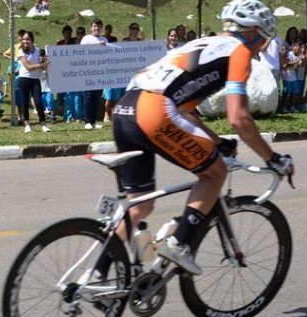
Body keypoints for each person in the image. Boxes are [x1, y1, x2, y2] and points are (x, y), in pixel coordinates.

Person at [111, 0, 294, 276]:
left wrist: (217, 142)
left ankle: (95, 278)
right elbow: (239, 118)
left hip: (126, 109)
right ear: (253, 32)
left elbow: (184, 110)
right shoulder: (240, 52)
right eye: (264, 39)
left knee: (140, 205)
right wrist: (274, 158)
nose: (262, 47)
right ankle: (178, 244)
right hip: (153, 111)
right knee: (215, 174)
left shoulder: (202, 44)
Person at [17, 31, 50, 133]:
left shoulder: (37, 50)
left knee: (38, 101)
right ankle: (27, 124)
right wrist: (41, 65)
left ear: (32, 40)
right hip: (24, 78)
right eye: (24, 39)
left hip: (35, 79)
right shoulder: (21, 51)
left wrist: (45, 61)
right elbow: (28, 67)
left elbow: (43, 63)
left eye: (28, 39)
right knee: (25, 102)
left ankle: (43, 124)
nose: (25, 41)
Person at [80, 18, 108, 130]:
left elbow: (108, 55)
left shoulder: (105, 39)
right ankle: (87, 121)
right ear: (91, 28)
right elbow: (81, 53)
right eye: (94, 26)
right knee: (88, 96)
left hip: (100, 72)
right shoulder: (86, 39)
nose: (96, 28)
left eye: (98, 26)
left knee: (97, 97)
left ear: (101, 28)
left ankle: (94, 121)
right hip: (88, 71)